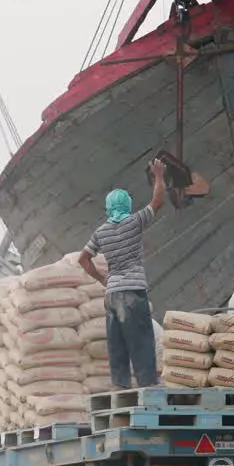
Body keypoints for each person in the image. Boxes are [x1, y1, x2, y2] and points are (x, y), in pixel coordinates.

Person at [79, 158, 168, 390]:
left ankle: (120, 386)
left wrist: (102, 278)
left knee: (117, 344)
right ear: (127, 205)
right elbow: (157, 202)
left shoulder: (101, 232)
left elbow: (83, 258)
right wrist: (159, 175)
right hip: (132, 292)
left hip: (112, 294)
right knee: (141, 340)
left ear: (108, 207)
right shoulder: (134, 222)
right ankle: (148, 385)